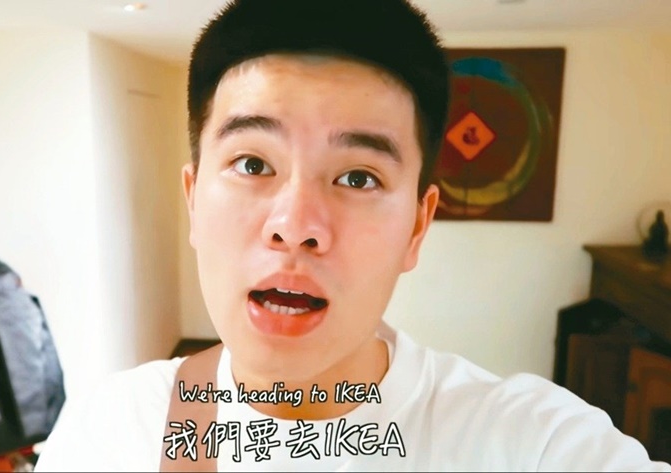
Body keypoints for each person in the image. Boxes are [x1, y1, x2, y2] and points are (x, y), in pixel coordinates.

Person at [35, 0, 671, 470]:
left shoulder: (532, 444)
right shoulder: (110, 436)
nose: (295, 227)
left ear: (417, 226)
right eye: (253, 164)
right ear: (194, 200)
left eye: (359, 177)